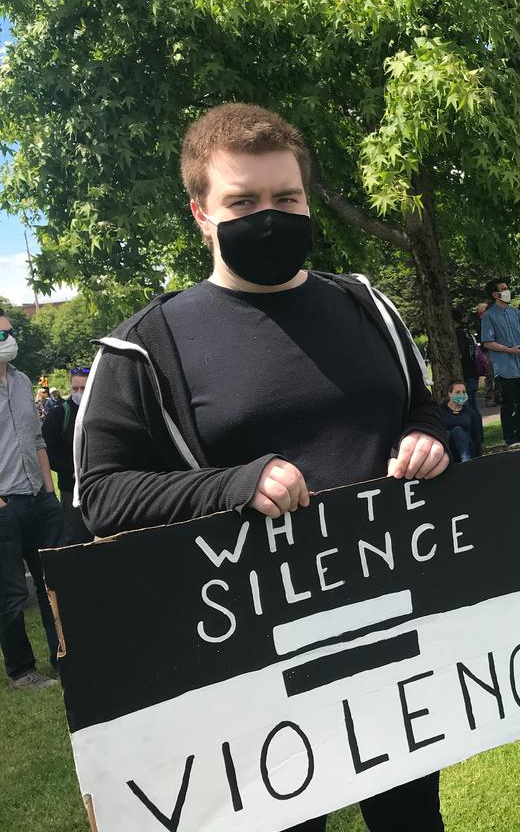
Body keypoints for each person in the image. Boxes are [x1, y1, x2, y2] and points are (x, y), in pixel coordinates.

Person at [74, 103, 450, 832]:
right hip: (253, 658)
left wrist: (429, 437)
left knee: (412, 817)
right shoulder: (149, 345)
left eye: (287, 198)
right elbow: (100, 494)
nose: (269, 215)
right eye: (242, 202)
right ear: (200, 214)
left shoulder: (365, 305)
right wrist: (232, 483)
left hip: (391, 626)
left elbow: (422, 407)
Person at [0, 311, 63, 690]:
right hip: (6, 505)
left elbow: (37, 440)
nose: (9, 337)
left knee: (52, 582)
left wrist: (49, 491)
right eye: (1, 333)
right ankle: (22, 671)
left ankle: (64, 655)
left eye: (11, 330)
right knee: (10, 590)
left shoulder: (23, 382)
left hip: (39, 499)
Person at [41, 367, 94, 545]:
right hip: (71, 491)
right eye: (75, 388)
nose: (79, 393)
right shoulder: (59, 414)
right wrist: (71, 470)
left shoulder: (100, 411)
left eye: (83, 388)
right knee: (77, 541)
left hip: (99, 488)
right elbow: (45, 451)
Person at [481, 278, 520, 446]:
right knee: (508, 404)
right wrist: (509, 350)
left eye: (507, 288)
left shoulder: (515, 312)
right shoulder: (489, 316)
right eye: (503, 289)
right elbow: (487, 342)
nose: (507, 291)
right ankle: (509, 437)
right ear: (495, 294)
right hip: (505, 368)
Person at [439, 380, 484, 462]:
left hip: (467, 447)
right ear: (450, 394)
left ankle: (466, 461)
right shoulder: (440, 411)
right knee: (447, 433)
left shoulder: (471, 413)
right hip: (448, 448)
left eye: (463, 392)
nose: (461, 395)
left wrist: (479, 456)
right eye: (457, 392)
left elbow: (476, 436)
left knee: (457, 430)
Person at [453, 307, 481, 415]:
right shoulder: (467, 332)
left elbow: (459, 354)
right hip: (473, 371)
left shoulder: (458, 334)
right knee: (473, 405)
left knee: (467, 407)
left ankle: (473, 430)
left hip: (465, 373)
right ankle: (478, 431)